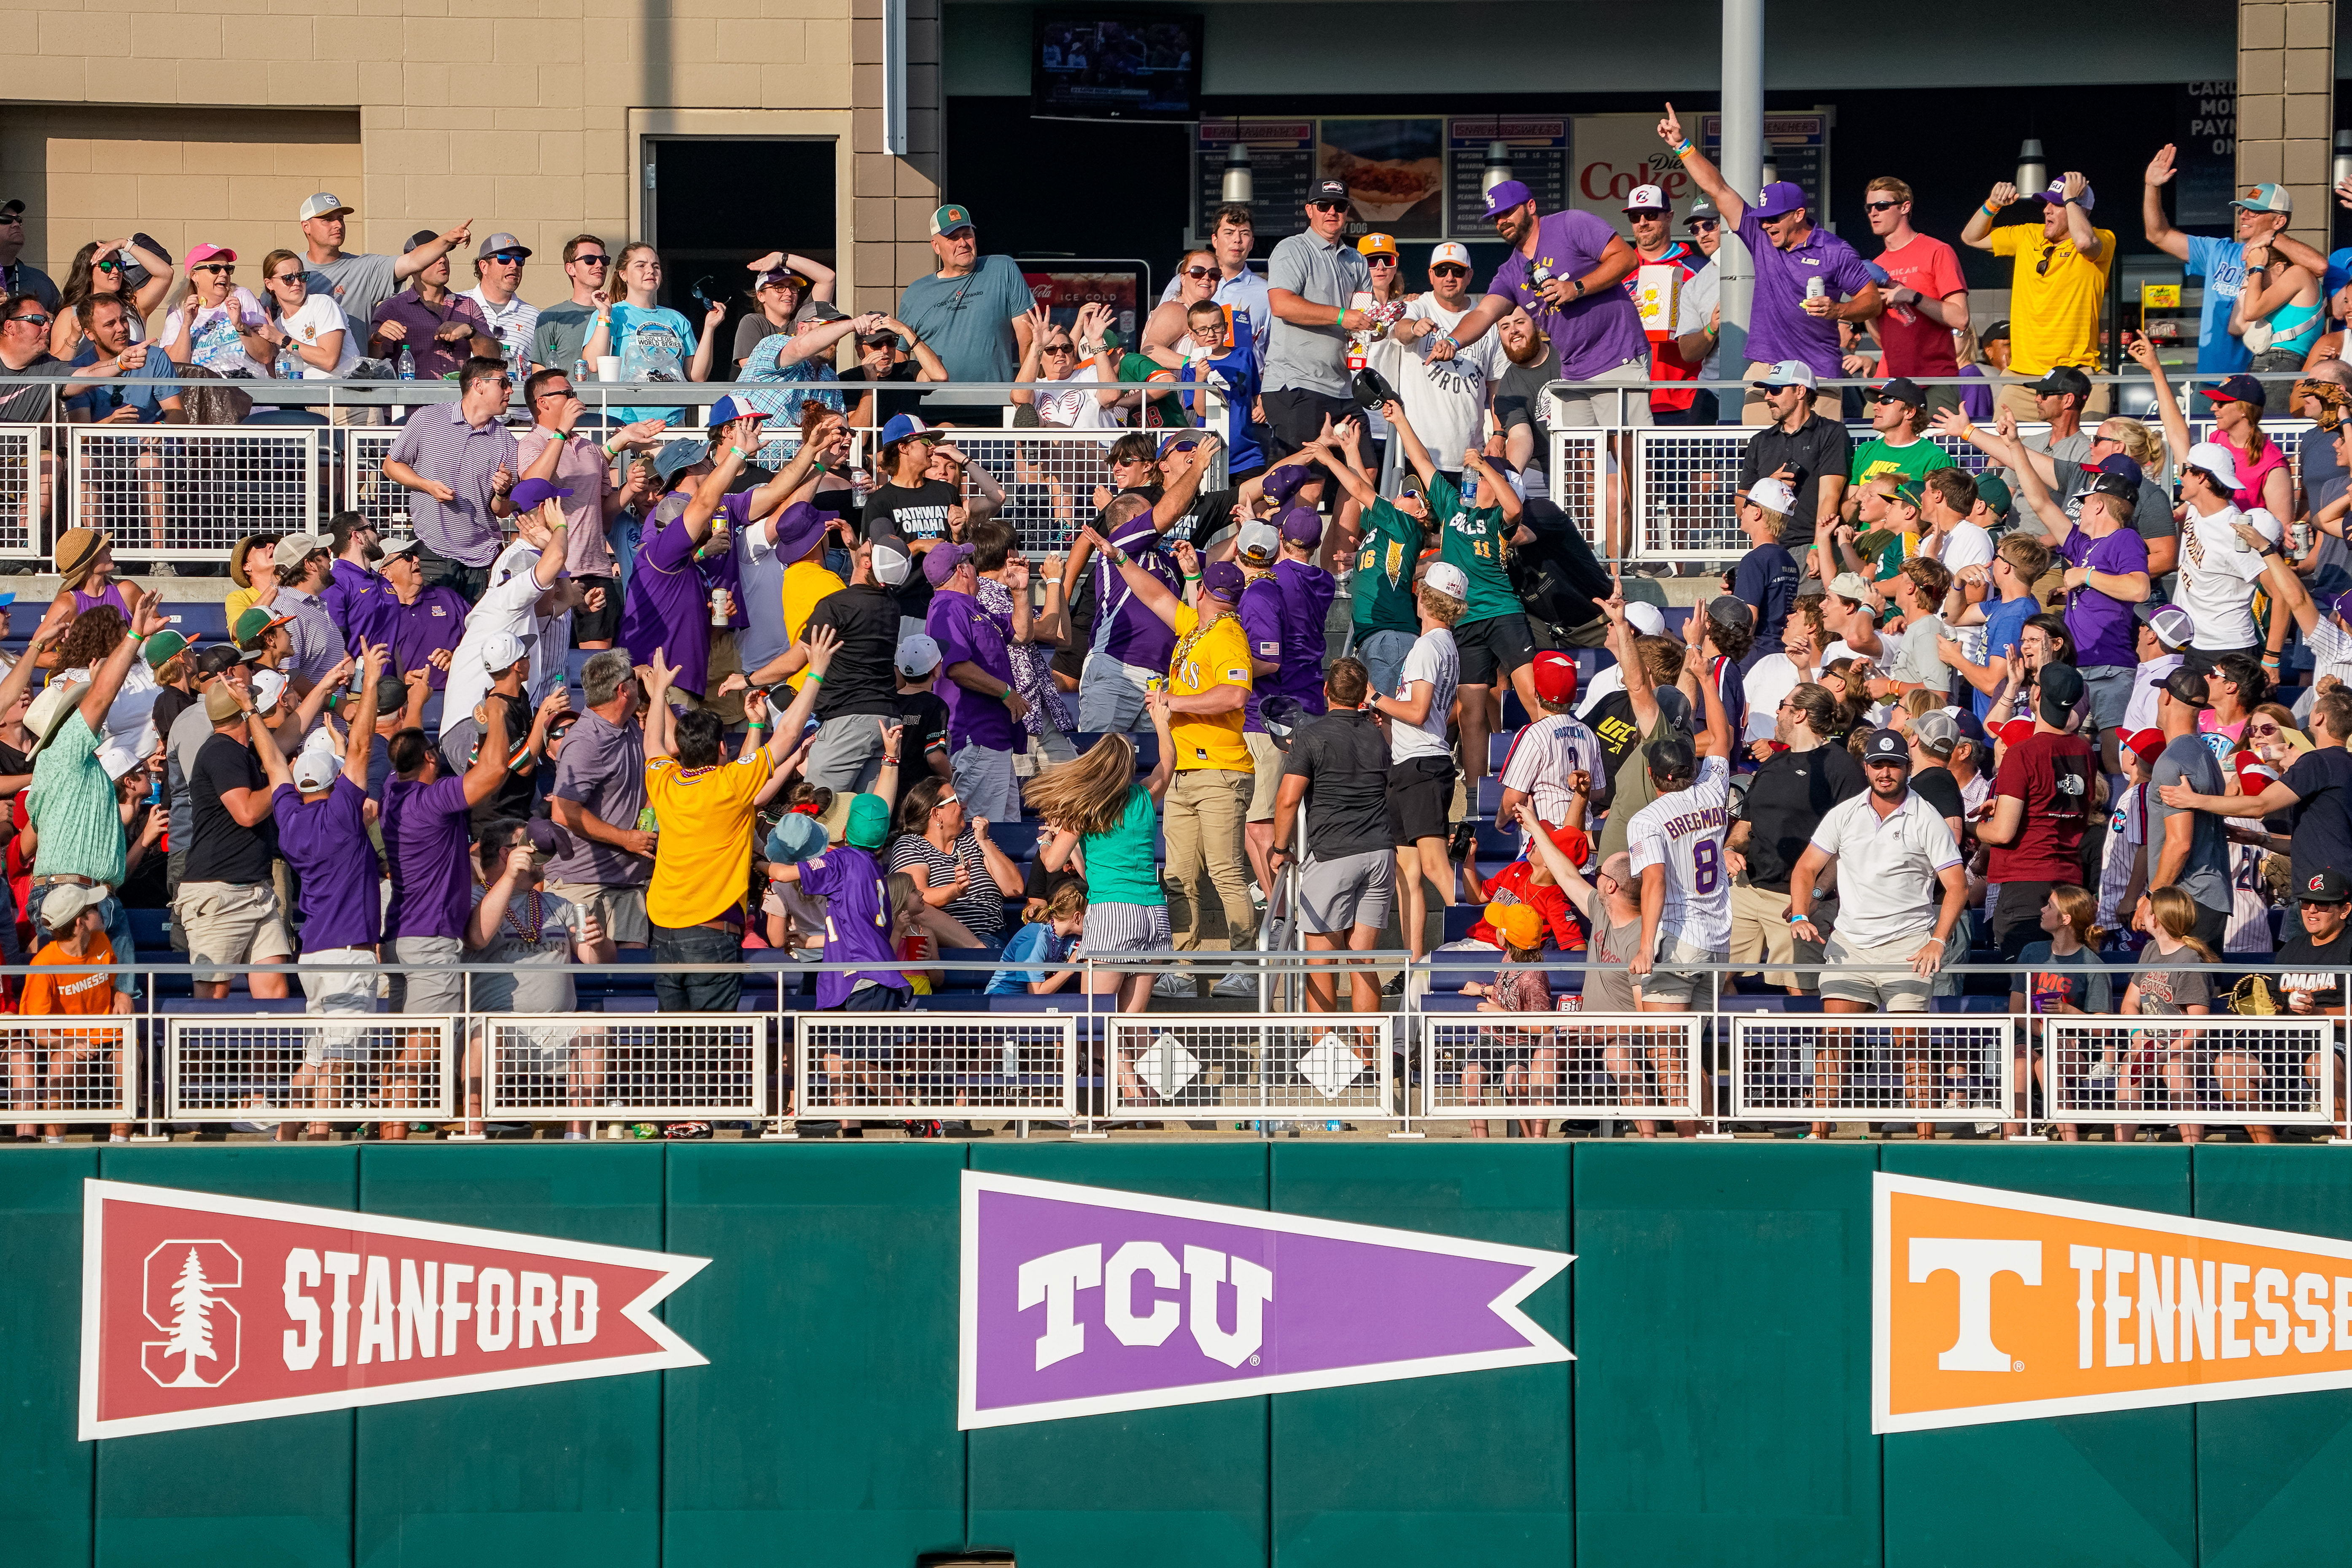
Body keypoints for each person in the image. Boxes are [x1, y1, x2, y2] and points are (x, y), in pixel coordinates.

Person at [1090, 535, 1257, 995]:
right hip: (1184, 769)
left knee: (1224, 870)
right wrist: (1119, 557)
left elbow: (1236, 694)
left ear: (1204, 591)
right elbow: (1155, 594)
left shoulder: (1226, 634)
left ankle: (1246, 967)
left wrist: (1173, 701)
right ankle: (1181, 968)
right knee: (1179, 874)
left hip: (1221, 770)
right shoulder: (1197, 626)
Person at [641, 626, 837, 1013]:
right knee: (710, 1055)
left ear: (679, 749)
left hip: (663, 934)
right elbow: (788, 736)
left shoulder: (664, 780)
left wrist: (658, 694)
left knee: (673, 1051)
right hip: (712, 936)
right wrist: (814, 672)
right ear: (719, 748)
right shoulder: (730, 783)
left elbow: (652, 743)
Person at [1784, 727, 1969, 1134]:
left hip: (1909, 946)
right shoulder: (1845, 813)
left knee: (1913, 1050)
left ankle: (1926, 1140)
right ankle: (1818, 1133)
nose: (1886, 772)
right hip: (1851, 944)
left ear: (1907, 767)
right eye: (1878, 764)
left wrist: (1938, 940)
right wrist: (1800, 915)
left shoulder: (1928, 817)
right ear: (1866, 767)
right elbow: (1805, 868)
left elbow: (1958, 885)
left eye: (1895, 765)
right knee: (1832, 1045)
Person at [1653, 106, 1880, 421]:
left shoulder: (1835, 250)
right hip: (1766, 367)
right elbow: (1718, 189)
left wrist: (1838, 310)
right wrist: (1681, 145)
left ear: (1799, 214)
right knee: (1757, 456)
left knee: (1820, 462)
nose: (1766, 226)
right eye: (1762, 219)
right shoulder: (1759, 236)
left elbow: (1872, 302)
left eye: (1774, 219)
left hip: (1818, 370)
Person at [250, 642, 385, 1138]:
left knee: (317, 1055)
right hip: (348, 953)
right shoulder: (344, 814)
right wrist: (370, 682)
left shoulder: (290, 817)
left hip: (313, 954)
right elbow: (365, 746)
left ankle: (288, 1133)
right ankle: (320, 1132)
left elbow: (273, 762)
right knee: (338, 1059)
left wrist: (250, 710)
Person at [1385, 401, 1533, 795]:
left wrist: (1487, 464)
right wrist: (1401, 419)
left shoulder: (1496, 519)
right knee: (1470, 714)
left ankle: (1545, 775)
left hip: (1503, 613)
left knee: (1534, 698)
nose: (1473, 480)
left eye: (1480, 478)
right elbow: (1421, 461)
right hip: (1464, 619)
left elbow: (1515, 507)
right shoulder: (1452, 505)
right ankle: (1475, 795)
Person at [23, 590, 162, 999]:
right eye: (82, 706)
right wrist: (134, 634)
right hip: (72, 896)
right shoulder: (66, 748)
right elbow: (101, 696)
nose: (96, 711)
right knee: (74, 1017)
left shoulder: (76, 767)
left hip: (93, 895)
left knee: (115, 1016)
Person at [1434, 180, 1648, 430]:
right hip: (1572, 371)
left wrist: (1576, 288)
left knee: (1626, 451)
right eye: (1496, 217)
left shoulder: (1570, 224)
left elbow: (1627, 258)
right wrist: (1452, 341)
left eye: (1508, 212)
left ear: (1531, 206)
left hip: (1616, 356)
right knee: (1575, 461)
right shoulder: (1510, 272)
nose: (1502, 221)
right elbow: (1484, 311)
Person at [462, 819, 605, 1137]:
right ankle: (474, 1133)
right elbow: (479, 936)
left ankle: (577, 1133)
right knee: (483, 1037)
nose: (541, 855)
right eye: (529, 846)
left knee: (595, 1027)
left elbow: (595, 961)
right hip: (498, 1025)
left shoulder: (560, 905)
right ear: (506, 854)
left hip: (558, 1025)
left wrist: (599, 941)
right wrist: (511, 875)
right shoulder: (473, 898)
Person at [1030, 717, 1178, 1016]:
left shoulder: (1083, 808)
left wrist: (1048, 840)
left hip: (1112, 913)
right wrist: (1162, 721)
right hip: (1155, 914)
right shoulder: (1144, 797)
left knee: (1095, 1018)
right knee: (1129, 1024)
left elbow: (1052, 862)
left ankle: (1103, 1064)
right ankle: (1135, 1065)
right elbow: (1169, 761)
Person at [1270, 657, 1393, 1014]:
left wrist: (1280, 848)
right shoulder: (1378, 732)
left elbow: (1288, 799)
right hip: (1380, 853)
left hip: (1334, 854)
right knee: (1363, 961)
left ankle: (1324, 1063)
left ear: (1326, 691)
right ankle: (1369, 1058)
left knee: (1320, 963)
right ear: (1363, 695)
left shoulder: (1311, 736)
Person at [511, 368, 664, 651]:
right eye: (567, 394)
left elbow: (604, 516)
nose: (574, 398)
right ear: (543, 402)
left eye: (574, 393)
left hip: (596, 571)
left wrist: (629, 487)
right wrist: (560, 432)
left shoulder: (590, 449)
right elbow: (533, 484)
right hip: (554, 571)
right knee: (551, 662)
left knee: (598, 671)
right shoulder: (531, 443)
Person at [1727, 682, 1864, 995]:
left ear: (1800, 714)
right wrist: (1730, 848)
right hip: (1748, 890)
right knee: (1713, 980)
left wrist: (1815, 894)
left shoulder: (1841, 767)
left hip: (1797, 900)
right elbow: (1747, 822)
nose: (1777, 712)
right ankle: (1731, 1046)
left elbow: (1848, 847)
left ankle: (1812, 1047)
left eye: (1782, 705)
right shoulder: (1774, 763)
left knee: (1802, 991)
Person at [2159, 688, 2352, 903]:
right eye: (2252, 730)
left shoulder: (2317, 761)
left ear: (2319, 718)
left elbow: (2261, 805)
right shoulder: (2345, 762)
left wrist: (2193, 800)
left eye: (2268, 729)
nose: (2258, 735)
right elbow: (2317, 840)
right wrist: (2259, 839)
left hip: (2322, 889)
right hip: (2332, 880)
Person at [1624, 644, 1736, 1011]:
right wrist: (1706, 678)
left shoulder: (1648, 818)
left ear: (1653, 773)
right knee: (1692, 1056)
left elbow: (1655, 881)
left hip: (1678, 938)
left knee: (1670, 1057)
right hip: (1718, 941)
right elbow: (1722, 738)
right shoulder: (1712, 789)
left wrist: (1645, 946)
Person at [1371, 562, 1467, 977]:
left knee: (1432, 867)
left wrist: (1374, 698)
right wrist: (1387, 715)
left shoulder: (1430, 647)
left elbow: (1419, 709)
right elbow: (1427, 714)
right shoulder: (1442, 643)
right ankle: (1411, 966)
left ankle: (1474, 942)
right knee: (1407, 872)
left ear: (1425, 596)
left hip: (1422, 766)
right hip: (1414, 761)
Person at [1961, 173, 2113, 419]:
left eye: (2058, 204)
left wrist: (2072, 200)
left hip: (2076, 376)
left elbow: (2085, 242)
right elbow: (1971, 238)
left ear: (2080, 210)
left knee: (2084, 454)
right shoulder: (2028, 235)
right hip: (2023, 378)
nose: (2047, 211)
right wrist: (1992, 205)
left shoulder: (2103, 239)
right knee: (2002, 454)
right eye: (2047, 204)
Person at [1978, 660, 2097, 957]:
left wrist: (1974, 826)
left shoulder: (2022, 752)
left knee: (2025, 987)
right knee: (2059, 982)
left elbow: (2003, 833)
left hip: (2025, 881)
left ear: (2037, 695)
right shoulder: (2083, 749)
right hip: (2069, 880)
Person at [543, 648, 653, 966]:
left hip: (627, 880)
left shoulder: (630, 726)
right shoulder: (585, 741)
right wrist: (625, 839)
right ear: (623, 691)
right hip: (582, 882)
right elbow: (564, 811)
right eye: (635, 680)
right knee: (587, 979)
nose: (639, 683)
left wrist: (657, 691)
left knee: (633, 983)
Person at [382, 356, 522, 600]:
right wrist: (427, 486)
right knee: (437, 633)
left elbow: (501, 511)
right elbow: (391, 466)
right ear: (478, 385)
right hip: (432, 552)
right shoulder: (427, 419)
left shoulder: (506, 441)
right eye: (503, 383)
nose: (510, 390)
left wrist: (503, 491)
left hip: (483, 558)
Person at [766, 793, 910, 1025]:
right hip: (857, 976)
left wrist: (755, 862)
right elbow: (853, 930)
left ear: (844, 832)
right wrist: (810, 941)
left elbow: (782, 875)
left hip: (864, 976)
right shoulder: (872, 867)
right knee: (836, 1060)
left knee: (858, 1061)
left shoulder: (843, 860)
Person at [1260, 180, 1375, 458]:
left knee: (1365, 469)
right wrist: (1342, 316)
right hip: (1298, 383)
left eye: (1340, 206)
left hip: (1343, 386)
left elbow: (1361, 319)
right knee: (1309, 480)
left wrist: (1374, 327)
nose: (1332, 212)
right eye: (1324, 206)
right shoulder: (1293, 249)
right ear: (1310, 210)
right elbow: (1282, 305)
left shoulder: (1357, 260)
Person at [891, 204, 1036, 421]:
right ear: (936, 246)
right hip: (934, 408)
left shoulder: (1002, 269)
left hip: (996, 404)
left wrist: (1025, 394)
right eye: (953, 238)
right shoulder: (916, 292)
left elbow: (1028, 338)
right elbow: (902, 356)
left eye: (967, 234)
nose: (962, 243)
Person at [920, 541, 1028, 825]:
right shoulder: (948, 608)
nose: (974, 567)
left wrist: (1020, 592)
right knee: (980, 835)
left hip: (994, 737)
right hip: (976, 737)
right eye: (969, 562)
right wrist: (1007, 693)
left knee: (1005, 830)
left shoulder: (973, 607)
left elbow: (1022, 633)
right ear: (961, 570)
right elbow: (956, 668)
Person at [16, 882, 129, 1142]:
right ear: (80, 922)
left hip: (108, 1035)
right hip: (67, 1042)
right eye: (93, 909)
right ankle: (55, 1146)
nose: (100, 912)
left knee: (130, 1058)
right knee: (60, 1067)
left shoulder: (101, 941)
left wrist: (122, 995)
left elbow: (114, 984)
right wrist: (68, 1042)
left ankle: (120, 1143)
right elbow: (37, 1030)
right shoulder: (44, 965)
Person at [578, 242, 727, 427]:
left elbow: (697, 375)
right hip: (624, 424)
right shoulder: (612, 313)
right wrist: (604, 315)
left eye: (655, 266)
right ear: (623, 275)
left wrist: (710, 328)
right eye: (641, 265)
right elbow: (593, 363)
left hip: (671, 423)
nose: (651, 271)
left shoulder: (676, 319)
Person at [2140, 666, 2231, 951]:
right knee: (2205, 991)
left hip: (2186, 900)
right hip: (2212, 896)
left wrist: (2151, 896)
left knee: (2174, 992)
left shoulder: (2171, 762)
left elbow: (2180, 843)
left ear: (2167, 697)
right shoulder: (2208, 755)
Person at [1862, 177, 1969, 414]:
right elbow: (1885, 342)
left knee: (1935, 451)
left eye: (1881, 206)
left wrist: (1914, 297)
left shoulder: (1937, 251)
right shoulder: (1877, 265)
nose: (1873, 213)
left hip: (1933, 381)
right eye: (1869, 208)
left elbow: (1960, 318)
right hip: (1888, 384)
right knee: (1874, 450)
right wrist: (1869, 309)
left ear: (1905, 207)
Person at [886, 772, 1025, 945]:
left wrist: (984, 841)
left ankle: (984, 955)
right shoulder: (912, 844)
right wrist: (957, 890)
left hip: (990, 936)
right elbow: (917, 897)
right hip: (937, 943)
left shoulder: (974, 840)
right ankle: (980, 954)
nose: (964, 806)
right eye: (956, 801)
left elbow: (1015, 889)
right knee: (918, 909)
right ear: (937, 814)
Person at [1738, 363, 1852, 553]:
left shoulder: (1831, 433)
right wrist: (1768, 484)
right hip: (1767, 547)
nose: (1767, 397)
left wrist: (1818, 547)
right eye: (1767, 390)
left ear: (1800, 391)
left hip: (1809, 546)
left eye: (1775, 390)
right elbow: (1741, 507)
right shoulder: (1760, 441)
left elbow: (1830, 496)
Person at [366, 228, 491, 381]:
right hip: (414, 403)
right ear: (415, 266)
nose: (443, 260)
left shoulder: (467, 306)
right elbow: (370, 362)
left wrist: (471, 332)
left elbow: (494, 359)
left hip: (457, 403)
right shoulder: (392, 308)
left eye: (444, 254)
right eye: (435, 256)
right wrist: (378, 338)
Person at [154, 245, 270, 379]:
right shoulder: (179, 311)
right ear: (194, 276)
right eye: (215, 269)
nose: (224, 274)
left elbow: (266, 356)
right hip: (202, 393)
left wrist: (240, 326)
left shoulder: (242, 297)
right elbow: (175, 368)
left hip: (246, 390)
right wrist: (186, 325)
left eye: (228, 269)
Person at [731, 256, 837, 366]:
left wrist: (782, 258)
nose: (789, 293)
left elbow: (828, 278)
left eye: (793, 288)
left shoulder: (805, 317)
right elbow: (751, 369)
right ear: (761, 296)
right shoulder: (754, 323)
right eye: (779, 288)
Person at [529, 235, 612, 375]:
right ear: (570, 269)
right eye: (590, 260)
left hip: (611, 397)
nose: (599, 265)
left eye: (604, 260)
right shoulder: (551, 317)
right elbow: (539, 376)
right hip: (568, 396)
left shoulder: (619, 314)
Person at [988, 882, 1086, 997]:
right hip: (1003, 1001)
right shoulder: (1035, 939)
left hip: (1031, 1004)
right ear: (1077, 917)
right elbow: (1037, 993)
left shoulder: (1071, 936)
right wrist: (1071, 967)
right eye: (1091, 916)